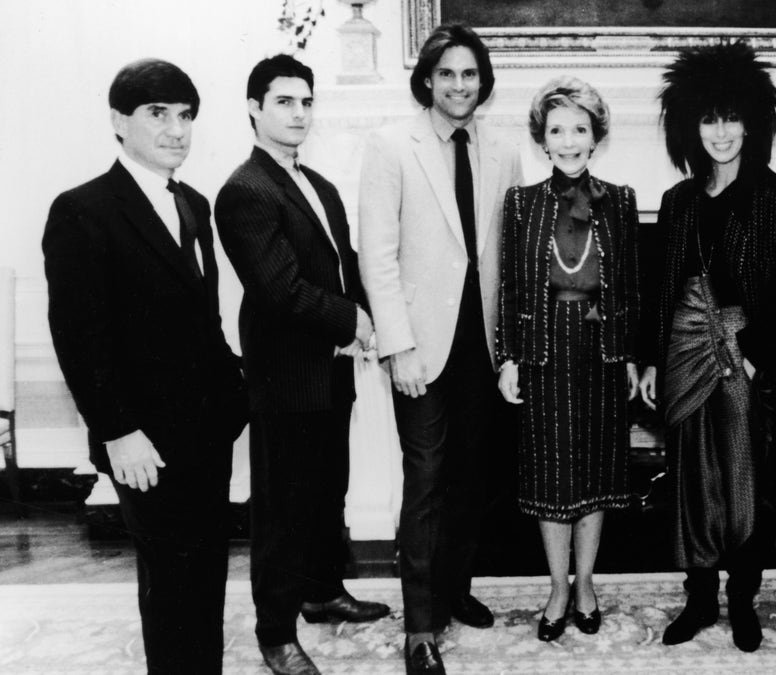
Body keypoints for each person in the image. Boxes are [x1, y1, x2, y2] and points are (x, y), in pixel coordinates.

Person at [43, 58, 248, 674]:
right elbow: (79, 338)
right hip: (143, 442)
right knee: (170, 583)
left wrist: (233, 393)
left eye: (185, 116)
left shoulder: (194, 203)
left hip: (206, 431)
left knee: (204, 573)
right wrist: (117, 432)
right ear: (118, 121)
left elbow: (200, 316)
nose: (176, 130)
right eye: (158, 114)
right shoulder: (83, 208)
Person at [214, 54, 388, 675]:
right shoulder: (244, 190)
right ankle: (274, 633)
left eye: (306, 101)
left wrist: (362, 317)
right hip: (285, 378)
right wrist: (352, 323)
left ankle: (322, 593)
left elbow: (347, 264)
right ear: (255, 108)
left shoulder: (320, 184)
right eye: (284, 101)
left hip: (332, 373)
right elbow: (277, 288)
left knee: (325, 493)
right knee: (283, 509)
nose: (298, 113)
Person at [358, 23, 522, 675]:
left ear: (484, 83)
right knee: (425, 478)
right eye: (448, 73)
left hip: (480, 346)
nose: (460, 85)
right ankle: (421, 628)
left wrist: (509, 348)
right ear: (427, 78)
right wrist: (397, 345)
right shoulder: (390, 145)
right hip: (420, 348)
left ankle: (454, 587)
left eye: (471, 74)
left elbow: (506, 259)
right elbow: (379, 253)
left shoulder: (504, 151)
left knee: (471, 479)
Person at [637, 42, 776, 654]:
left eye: (731, 116)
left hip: (747, 365)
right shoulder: (679, 201)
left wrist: (755, 353)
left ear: (754, 121)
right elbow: (662, 288)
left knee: (742, 480)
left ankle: (742, 599)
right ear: (690, 125)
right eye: (708, 118)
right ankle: (700, 595)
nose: (720, 132)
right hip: (684, 358)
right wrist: (654, 358)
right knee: (690, 481)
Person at [496, 76, 640, 642]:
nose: (570, 139)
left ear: (595, 136)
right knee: (552, 476)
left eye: (580, 128)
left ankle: (586, 583)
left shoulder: (621, 199)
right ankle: (558, 588)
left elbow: (628, 285)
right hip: (543, 351)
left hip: (600, 350)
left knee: (596, 473)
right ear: (543, 139)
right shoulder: (520, 202)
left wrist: (629, 355)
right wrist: (508, 358)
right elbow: (509, 286)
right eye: (558, 129)